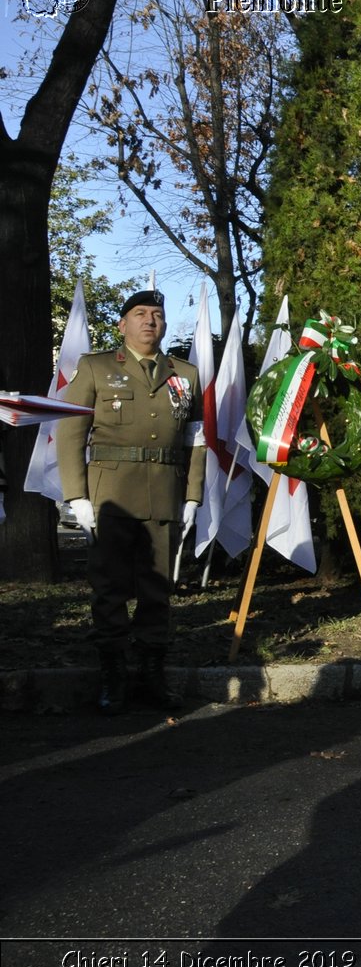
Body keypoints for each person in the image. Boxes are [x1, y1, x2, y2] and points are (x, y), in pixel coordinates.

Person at [56, 289, 204, 715]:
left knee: (158, 590)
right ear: (122, 325)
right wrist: (77, 495)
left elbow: (196, 439)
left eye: (157, 314)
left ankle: (152, 674)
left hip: (164, 491)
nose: (149, 321)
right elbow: (70, 432)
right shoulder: (96, 367)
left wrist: (192, 494)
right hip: (111, 496)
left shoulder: (185, 373)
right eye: (139, 314)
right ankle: (113, 675)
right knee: (110, 588)